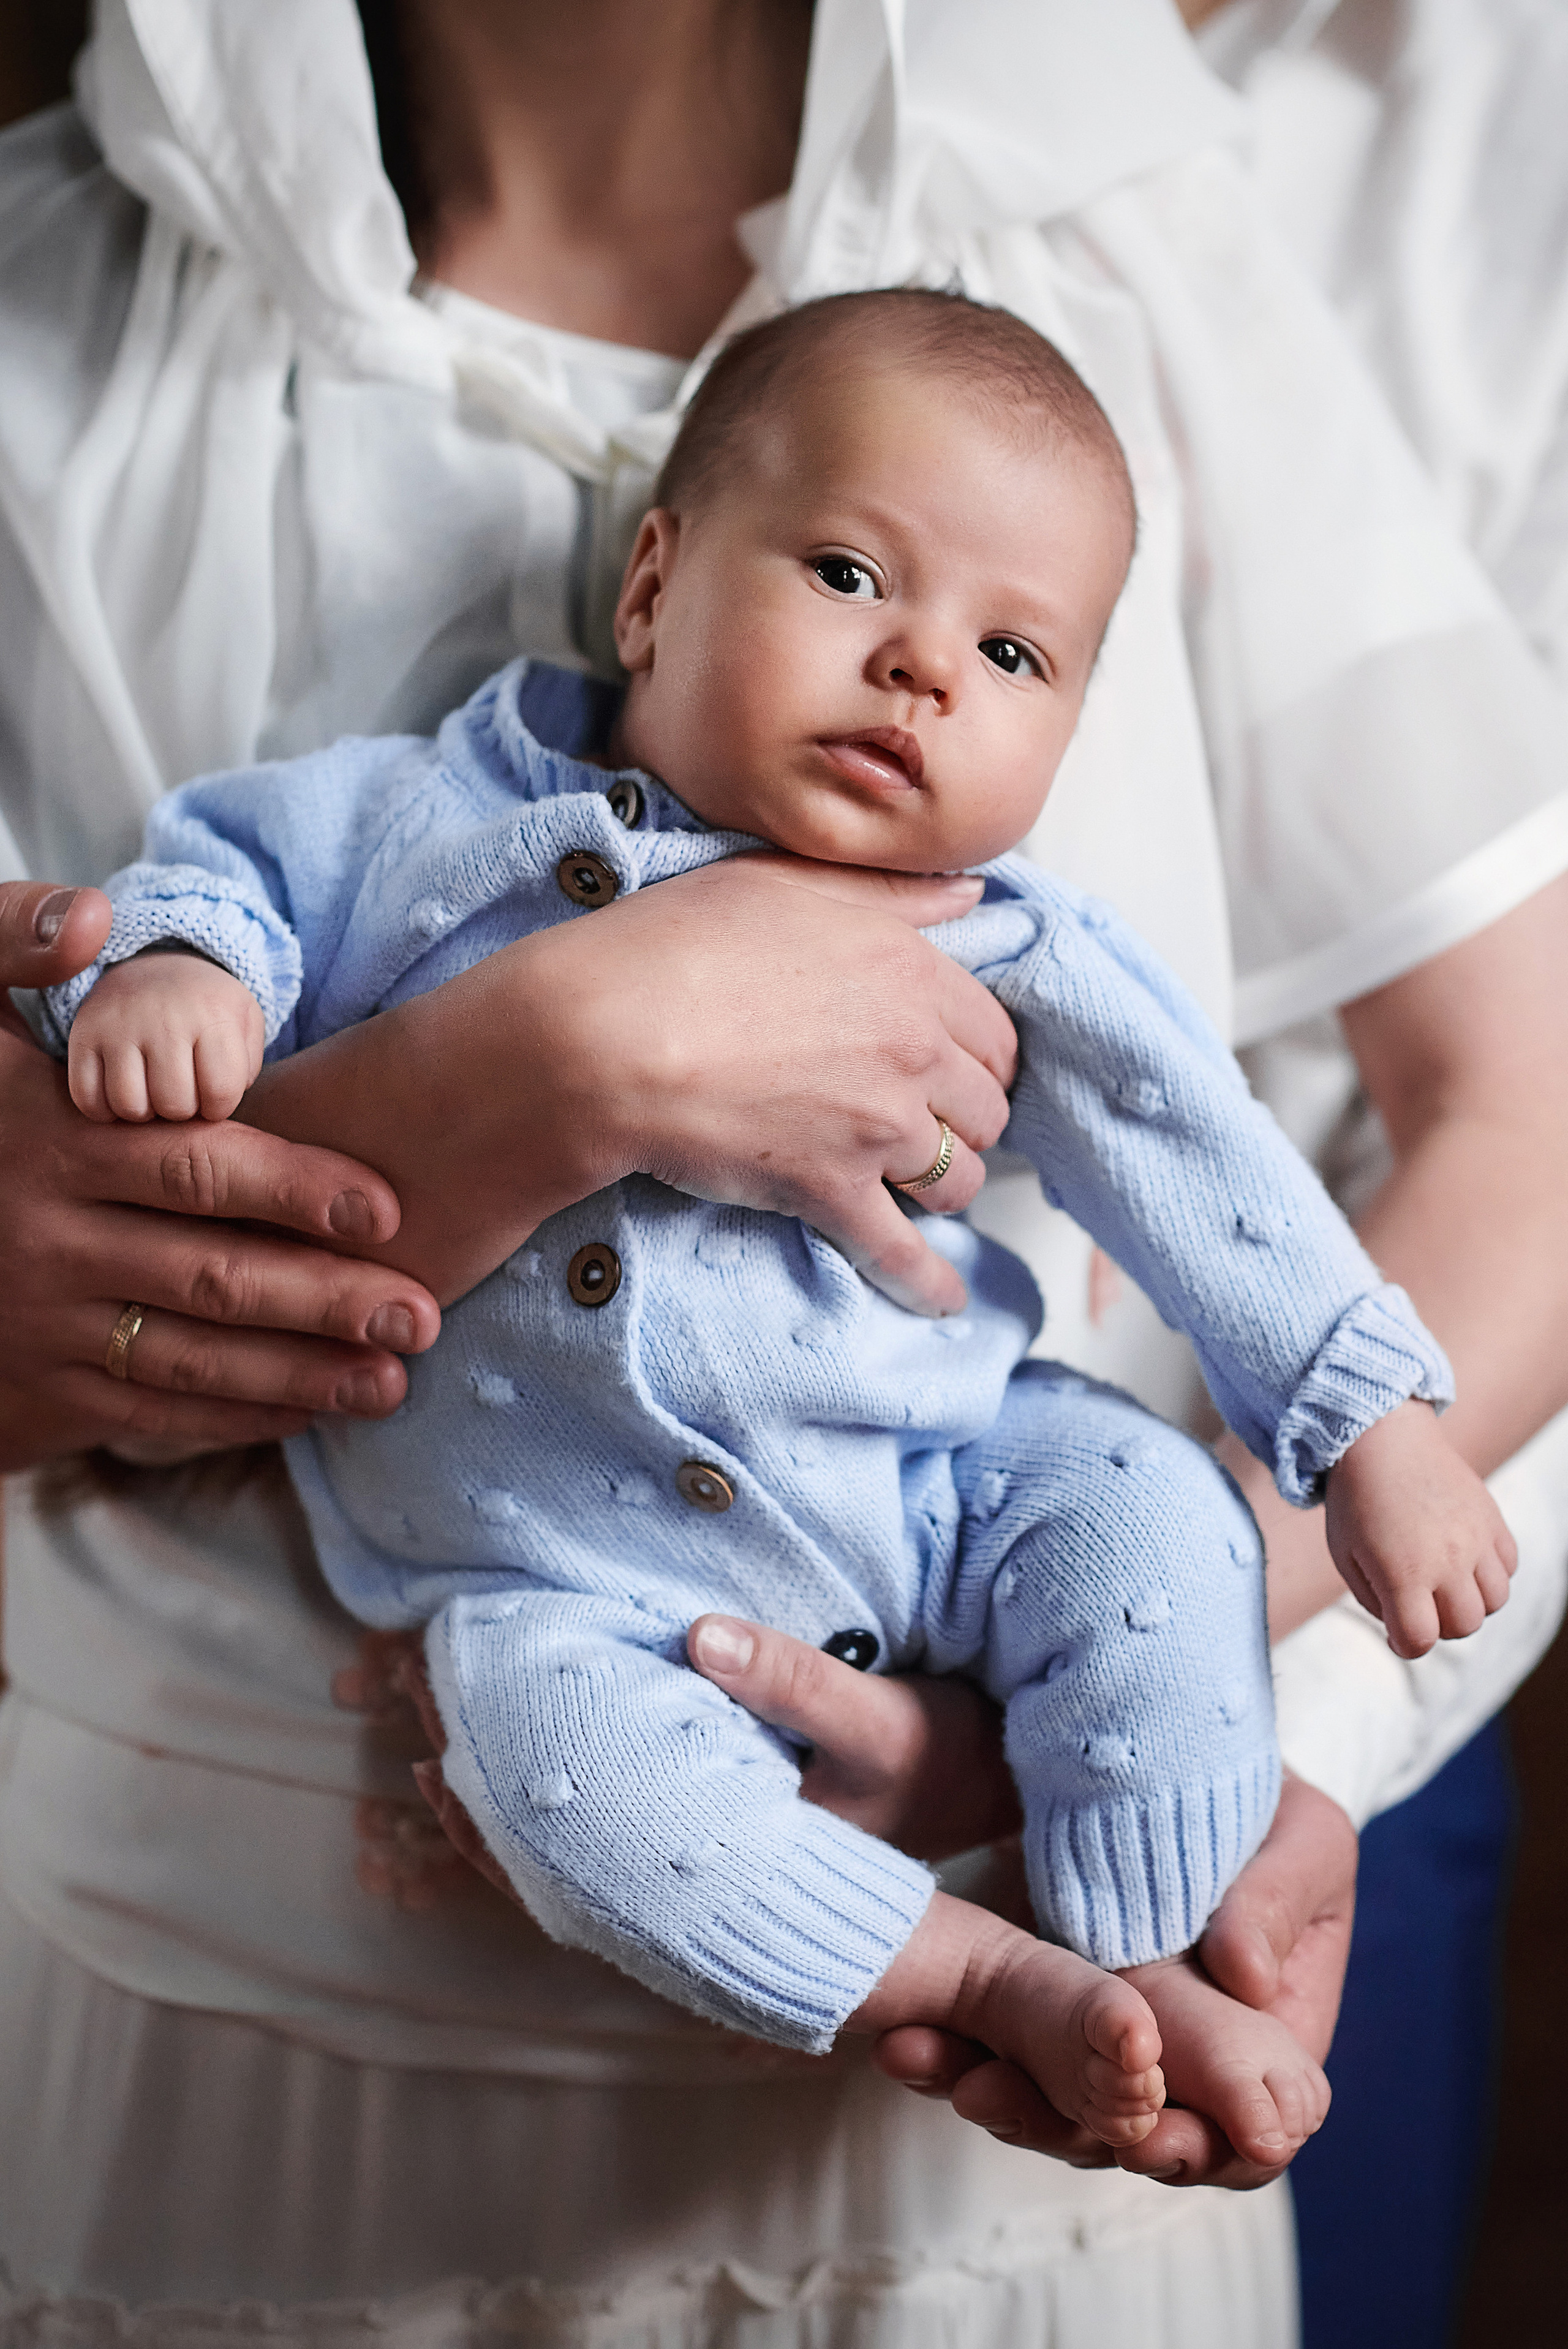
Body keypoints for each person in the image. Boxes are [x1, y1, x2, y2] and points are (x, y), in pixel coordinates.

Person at [2, 3, 1567, 2342]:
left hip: (951, 1541)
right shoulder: (396, 741)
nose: (927, 673)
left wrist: (1354, 1436)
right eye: (847, 579)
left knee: (1132, 1512)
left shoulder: (1122, 272)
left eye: (1015, 651)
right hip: (332, 1887)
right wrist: (533, 1053)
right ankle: (944, 1964)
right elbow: (229, 881)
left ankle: (1133, 1947)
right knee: (541, 1733)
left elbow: (1258, 1164)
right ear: (653, 590)